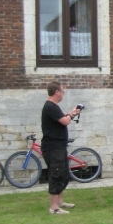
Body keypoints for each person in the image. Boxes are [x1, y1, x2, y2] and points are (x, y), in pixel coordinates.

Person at [41, 82, 82, 215]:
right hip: (53, 148)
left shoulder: (54, 107)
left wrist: (72, 113)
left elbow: (64, 117)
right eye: (63, 92)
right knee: (56, 174)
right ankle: (54, 207)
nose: (63, 94)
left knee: (62, 174)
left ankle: (59, 201)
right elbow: (65, 121)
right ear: (57, 92)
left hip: (59, 147)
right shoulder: (50, 106)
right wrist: (70, 116)